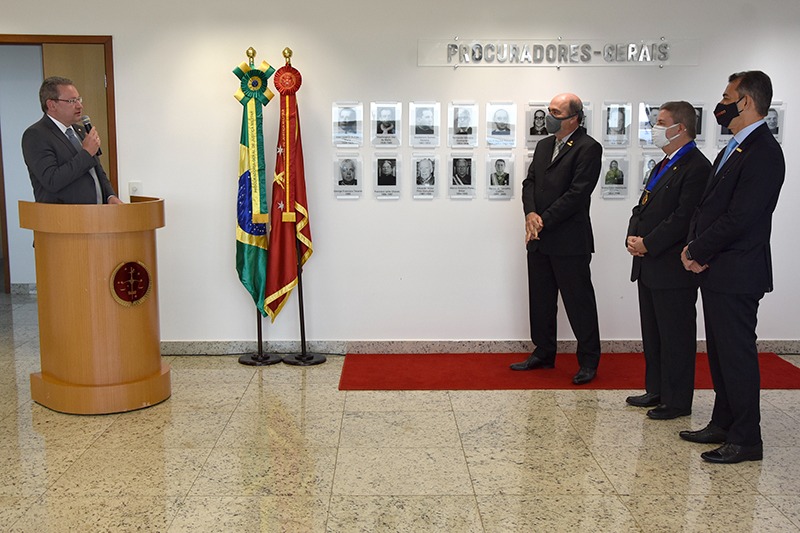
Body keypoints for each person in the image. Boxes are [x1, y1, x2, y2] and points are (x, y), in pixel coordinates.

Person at [679, 71, 785, 464]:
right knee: (721, 354)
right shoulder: (735, 148)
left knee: (737, 355)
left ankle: (747, 438)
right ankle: (723, 422)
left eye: (727, 97)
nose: (721, 105)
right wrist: (693, 245)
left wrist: (697, 249)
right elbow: (709, 207)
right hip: (718, 269)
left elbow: (740, 217)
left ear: (746, 101)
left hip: (737, 271)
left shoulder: (764, 152)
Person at [625, 101, 711, 420]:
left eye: (661, 123)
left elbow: (683, 217)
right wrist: (632, 237)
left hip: (672, 268)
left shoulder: (696, 167)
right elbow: (642, 207)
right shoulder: (662, 163)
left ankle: (677, 401)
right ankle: (657, 390)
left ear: (681, 129)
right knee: (654, 333)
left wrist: (649, 243)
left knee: (676, 335)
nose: (654, 128)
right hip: (648, 265)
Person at [511, 93, 602, 385]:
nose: (549, 116)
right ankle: (544, 352)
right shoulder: (544, 145)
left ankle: (588, 361)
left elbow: (577, 194)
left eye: (555, 112)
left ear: (573, 118)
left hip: (569, 240)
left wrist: (543, 220)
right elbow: (530, 183)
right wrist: (530, 214)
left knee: (579, 303)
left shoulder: (588, 148)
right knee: (541, 299)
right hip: (538, 237)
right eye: (548, 110)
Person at [21, 76, 121, 205]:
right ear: (51, 105)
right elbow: (52, 181)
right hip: (63, 219)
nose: (80, 105)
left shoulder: (81, 131)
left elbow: (97, 171)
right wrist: (86, 153)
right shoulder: (36, 135)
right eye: (72, 101)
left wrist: (110, 195)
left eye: (79, 99)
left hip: (96, 215)